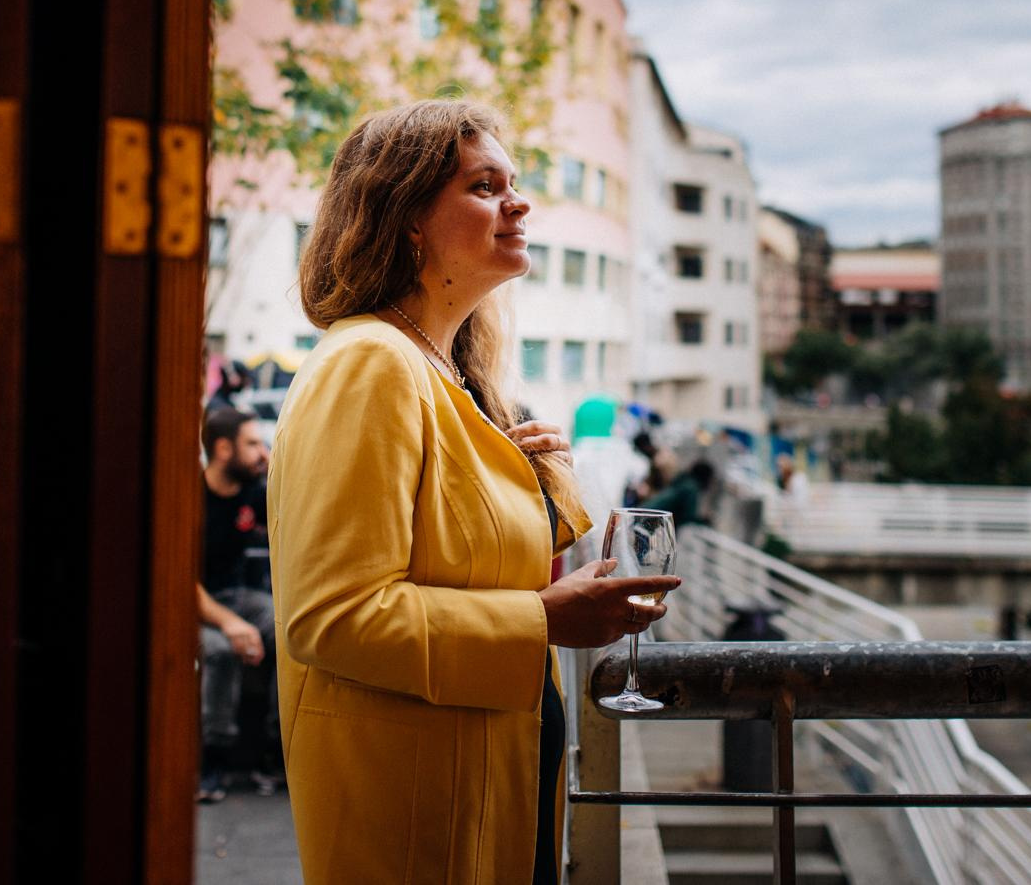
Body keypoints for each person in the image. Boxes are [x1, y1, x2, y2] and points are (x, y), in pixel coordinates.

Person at [269, 100, 682, 884]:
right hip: (413, 814)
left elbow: (472, 555)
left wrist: (540, 477)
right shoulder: (370, 362)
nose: (518, 203)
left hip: (490, 787)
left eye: (512, 183)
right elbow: (332, 615)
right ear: (407, 219)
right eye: (485, 186)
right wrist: (544, 620)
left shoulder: (444, 369)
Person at [197, 407, 278, 803]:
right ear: (223, 449)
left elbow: (292, 514)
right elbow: (179, 580)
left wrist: (276, 470)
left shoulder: (251, 491)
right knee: (220, 652)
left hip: (235, 595)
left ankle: (275, 753)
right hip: (193, 603)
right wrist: (230, 624)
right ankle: (213, 760)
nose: (262, 452)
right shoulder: (192, 496)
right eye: (252, 444)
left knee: (289, 632)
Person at [643, 458, 717, 528]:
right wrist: (704, 521)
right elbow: (687, 519)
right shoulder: (690, 488)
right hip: (650, 519)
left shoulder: (683, 482)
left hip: (646, 513)